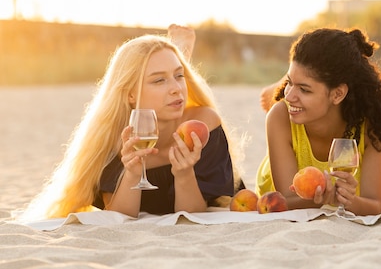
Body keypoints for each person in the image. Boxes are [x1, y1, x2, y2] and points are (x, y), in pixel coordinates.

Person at [18, 26, 245, 221]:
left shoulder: (204, 123)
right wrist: (132, 173)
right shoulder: (117, 137)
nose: (177, 88)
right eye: (159, 80)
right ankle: (178, 50)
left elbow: (194, 216)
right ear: (130, 95)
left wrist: (185, 173)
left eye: (179, 75)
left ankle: (177, 52)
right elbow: (120, 218)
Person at [255, 27, 381, 215]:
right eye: (289, 83)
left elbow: (374, 205)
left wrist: (345, 200)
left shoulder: (374, 124)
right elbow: (285, 199)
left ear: (337, 94)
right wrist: (321, 201)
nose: (290, 95)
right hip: (288, 201)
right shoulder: (280, 116)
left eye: (304, 89)